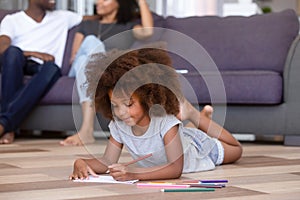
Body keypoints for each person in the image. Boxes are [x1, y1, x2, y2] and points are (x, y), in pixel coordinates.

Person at [69, 47, 243, 181]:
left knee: (236, 150)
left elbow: (175, 169)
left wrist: (134, 173)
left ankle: (194, 114)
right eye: (115, 105)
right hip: (179, 139)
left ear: (147, 97)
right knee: (183, 134)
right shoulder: (119, 125)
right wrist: (81, 162)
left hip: (199, 149)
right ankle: (198, 118)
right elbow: (107, 161)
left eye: (128, 104)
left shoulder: (165, 122)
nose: (121, 112)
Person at [60, 0, 154, 146]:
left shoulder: (127, 26)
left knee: (87, 56)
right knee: (89, 44)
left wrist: (141, 1)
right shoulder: (86, 25)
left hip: (99, 72)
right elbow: (75, 57)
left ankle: (86, 131)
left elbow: (148, 31)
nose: (98, 2)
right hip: (80, 68)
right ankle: (100, 73)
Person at [0, 0, 82, 144]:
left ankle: (5, 126)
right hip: (19, 61)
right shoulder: (12, 20)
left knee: (52, 68)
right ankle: (8, 127)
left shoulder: (64, 17)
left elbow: (97, 18)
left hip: (44, 67)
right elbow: (3, 48)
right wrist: (33, 53)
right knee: (13, 52)